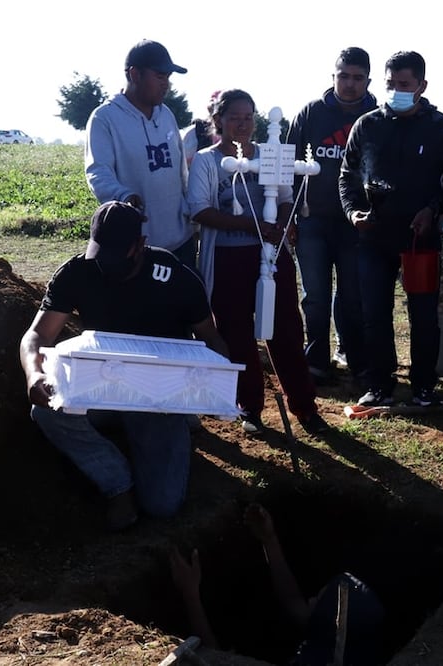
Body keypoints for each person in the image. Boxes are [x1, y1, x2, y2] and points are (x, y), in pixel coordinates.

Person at [19, 201, 229, 531]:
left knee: (162, 506)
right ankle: (116, 481)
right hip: (98, 385)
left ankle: (172, 436)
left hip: (156, 397)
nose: (107, 265)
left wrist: (215, 390)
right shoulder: (78, 272)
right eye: (102, 254)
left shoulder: (174, 276)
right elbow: (37, 335)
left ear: (140, 245)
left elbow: (211, 338)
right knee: (47, 410)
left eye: (118, 255)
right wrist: (35, 373)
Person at [186, 89, 328, 436]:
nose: (243, 124)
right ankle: (249, 407)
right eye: (234, 117)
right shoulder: (207, 161)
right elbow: (201, 210)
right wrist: (254, 226)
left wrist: (278, 226)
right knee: (236, 333)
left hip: (270, 255)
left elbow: (284, 197)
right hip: (227, 258)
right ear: (218, 120)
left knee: (286, 330)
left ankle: (305, 407)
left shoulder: (270, 154)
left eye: (248, 117)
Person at [339, 50, 443, 408]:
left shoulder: (441, 128)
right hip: (373, 235)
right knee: (374, 312)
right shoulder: (367, 125)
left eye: (405, 84)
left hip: (419, 237)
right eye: (390, 84)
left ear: (422, 86)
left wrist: (433, 209)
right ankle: (380, 384)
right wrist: (353, 213)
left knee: (423, 315)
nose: (396, 90)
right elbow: (347, 175)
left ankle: (424, 386)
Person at [169, 503, 386, 664]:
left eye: (318, 599)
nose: (310, 599)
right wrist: (270, 541)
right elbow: (295, 605)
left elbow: (212, 660)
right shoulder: (349, 651)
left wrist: (190, 595)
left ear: (328, 624)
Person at [287, 47, 377, 386]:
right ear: (333, 76)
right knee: (315, 296)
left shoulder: (377, 115)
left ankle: (355, 359)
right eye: (344, 76)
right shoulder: (311, 114)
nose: (350, 84)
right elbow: (289, 169)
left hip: (358, 223)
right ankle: (316, 361)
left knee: (353, 296)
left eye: (357, 78)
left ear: (368, 80)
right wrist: (290, 217)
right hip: (314, 221)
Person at [84, 39, 197, 268]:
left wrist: (190, 212)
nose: (166, 84)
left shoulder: (167, 115)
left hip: (181, 241)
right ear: (135, 74)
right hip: (136, 247)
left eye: (168, 77)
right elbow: (98, 171)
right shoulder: (104, 118)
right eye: (160, 76)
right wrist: (122, 195)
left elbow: (181, 173)